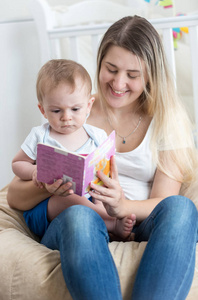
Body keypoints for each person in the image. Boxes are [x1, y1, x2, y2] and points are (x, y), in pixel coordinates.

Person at [7, 15, 198, 300]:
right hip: (78, 220)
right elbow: (14, 197)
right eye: (111, 69)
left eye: (133, 75)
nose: (119, 83)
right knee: (80, 215)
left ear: (149, 76)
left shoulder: (167, 120)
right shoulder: (73, 110)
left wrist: (122, 206)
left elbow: (163, 201)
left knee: (182, 209)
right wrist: (46, 186)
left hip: (136, 220)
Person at [11, 59, 135, 239]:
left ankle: (110, 219)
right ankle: (111, 222)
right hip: (47, 208)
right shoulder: (40, 135)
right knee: (69, 198)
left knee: (106, 190)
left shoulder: (96, 135)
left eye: (75, 109)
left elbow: (106, 170)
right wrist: (34, 171)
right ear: (43, 110)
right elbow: (17, 163)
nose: (66, 117)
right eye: (56, 111)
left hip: (90, 198)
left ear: (88, 106)